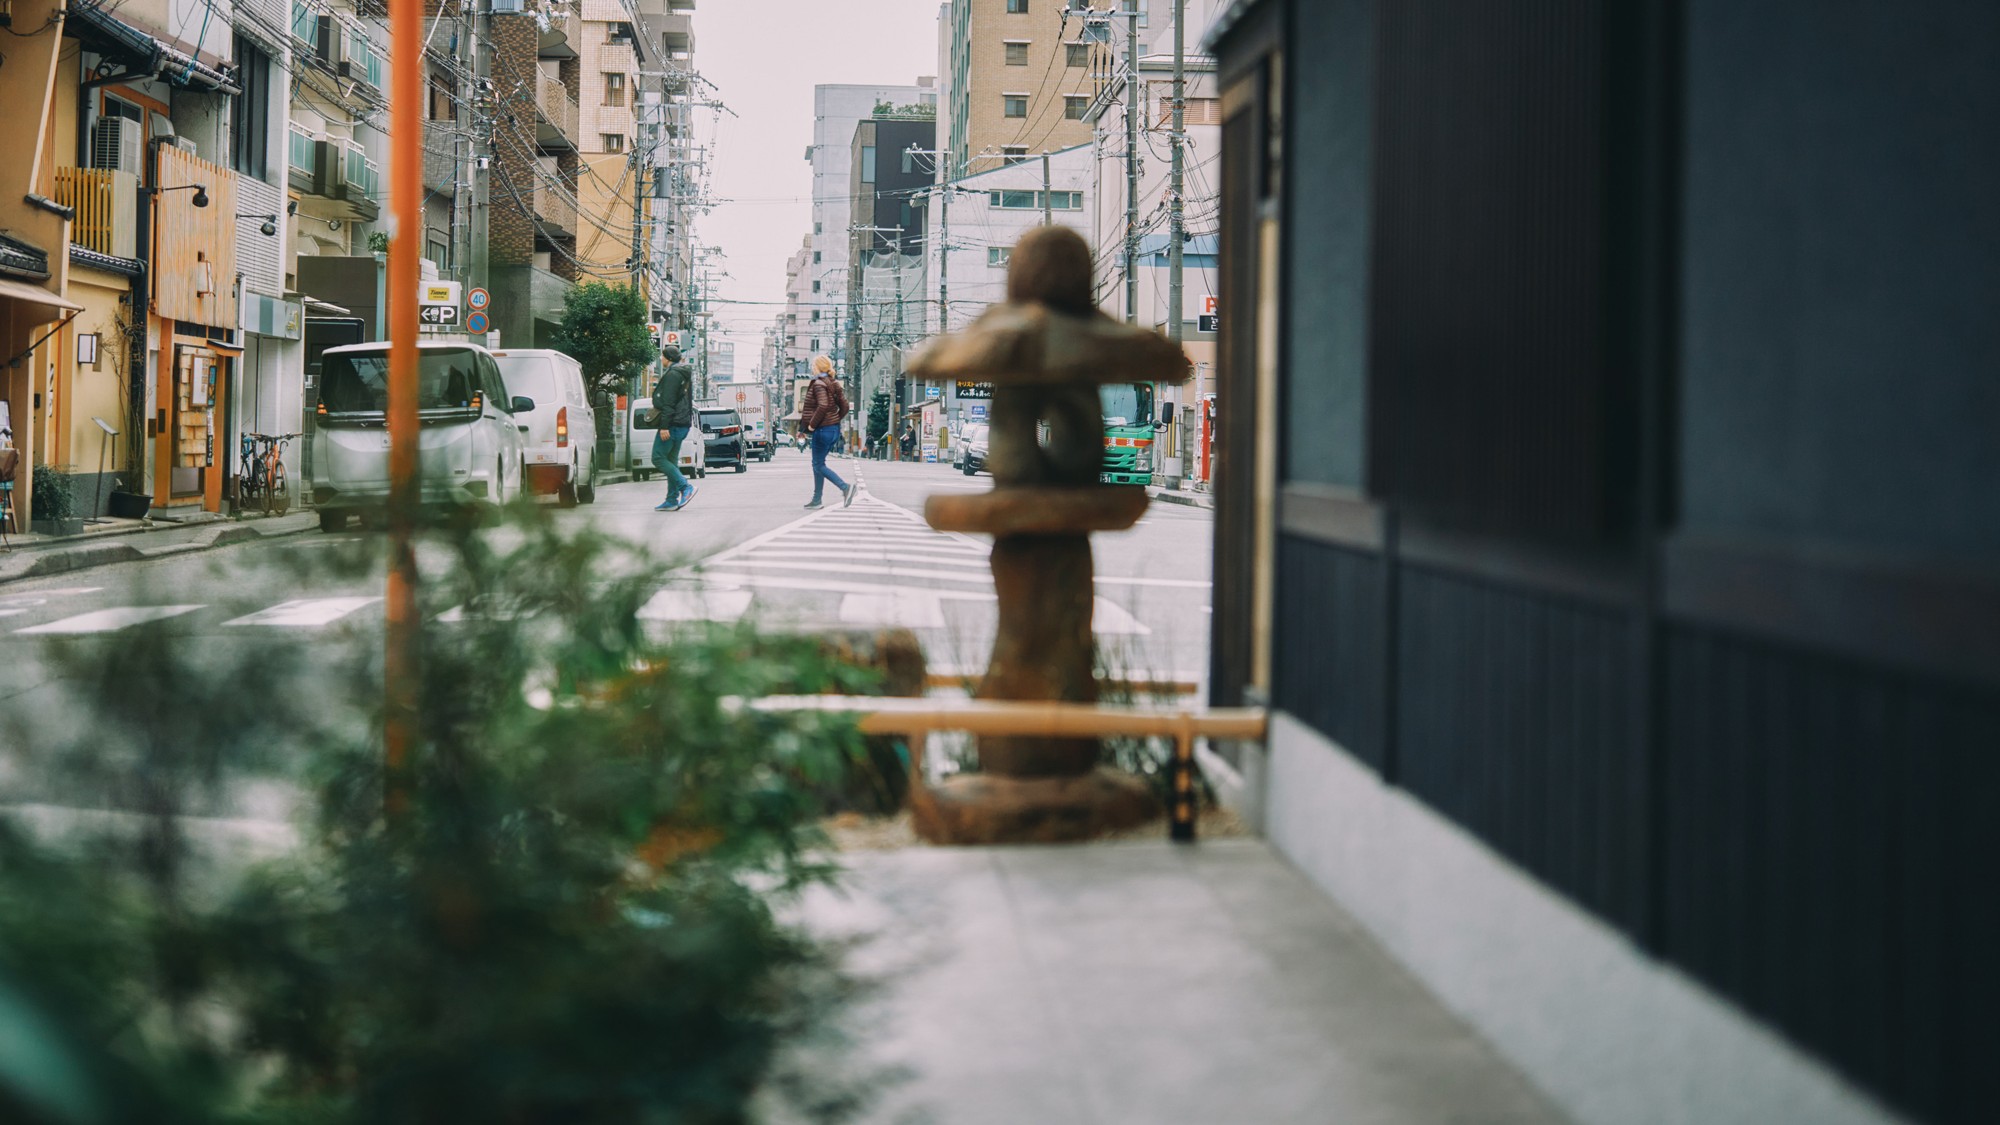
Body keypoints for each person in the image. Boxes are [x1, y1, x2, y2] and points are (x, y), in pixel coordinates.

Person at [798, 354, 856, 509]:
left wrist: (811, 425)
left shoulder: (818, 384)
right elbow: (844, 406)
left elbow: (822, 405)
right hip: (833, 430)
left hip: (822, 430)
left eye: (813, 366)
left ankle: (845, 487)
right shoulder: (833, 383)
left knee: (818, 465)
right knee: (819, 464)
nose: (811, 368)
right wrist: (835, 419)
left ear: (818, 367)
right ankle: (817, 500)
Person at [651, 345, 697, 511]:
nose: (661, 359)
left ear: (668, 358)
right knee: (671, 461)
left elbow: (669, 403)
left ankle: (685, 487)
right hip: (682, 422)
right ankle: (671, 499)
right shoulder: (684, 374)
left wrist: (664, 427)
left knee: (657, 457)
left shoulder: (673, 375)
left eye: (663, 357)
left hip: (672, 424)